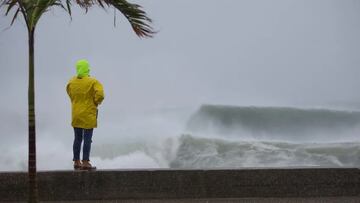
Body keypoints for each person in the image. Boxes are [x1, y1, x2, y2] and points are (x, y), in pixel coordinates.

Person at [66, 59, 104, 170]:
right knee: (87, 138)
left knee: (77, 138)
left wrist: (75, 101)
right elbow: (100, 94)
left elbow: (69, 92)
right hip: (88, 113)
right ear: (87, 68)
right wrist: (96, 102)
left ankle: (76, 162)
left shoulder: (71, 81)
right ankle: (86, 162)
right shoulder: (93, 82)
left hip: (76, 113)